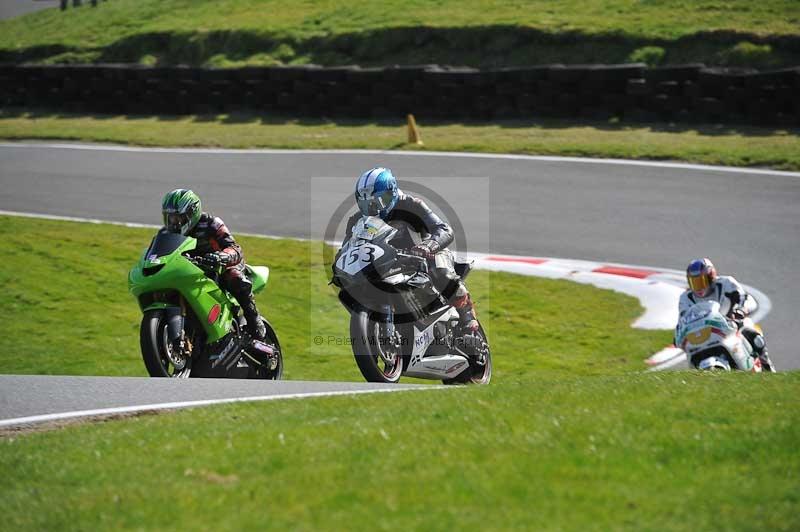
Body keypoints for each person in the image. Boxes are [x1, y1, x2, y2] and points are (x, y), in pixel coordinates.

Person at [343, 167, 479, 332]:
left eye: (378, 201)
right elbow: (347, 248)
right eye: (367, 203)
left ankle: (466, 313)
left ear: (391, 192)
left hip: (425, 255)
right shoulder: (357, 220)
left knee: (441, 271)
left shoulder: (410, 205)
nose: (373, 208)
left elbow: (444, 229)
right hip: (388, 264)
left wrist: (428, 246)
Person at [161, 188, 266, 340]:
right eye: (170, 218)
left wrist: (220, 257)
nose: (174, 223)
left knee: (234, 277)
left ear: (192, 213)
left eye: (178, 218)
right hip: (191, 269)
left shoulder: (211, 224)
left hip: (221, 265)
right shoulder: (167, 234)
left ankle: (254, 319)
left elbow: (235, 249)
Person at [678, 257, 774, 371]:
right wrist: (678, 333)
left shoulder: (726, 283)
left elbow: (746, 299)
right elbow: (683, 319)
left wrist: (741, 310)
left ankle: (767, 365)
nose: (698, 287)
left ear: (711, 276)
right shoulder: (686, 298)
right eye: (694, 283)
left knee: (753, 333)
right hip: (703, 334)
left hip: (731, 326)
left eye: (701, 281)